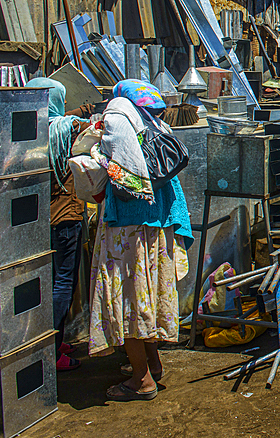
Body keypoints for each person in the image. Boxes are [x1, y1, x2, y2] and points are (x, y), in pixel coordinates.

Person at [88, 79, 193, 401]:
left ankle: (141, 380)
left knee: (128, 300)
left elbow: (127, 172)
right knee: (146, 296)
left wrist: (96, 154)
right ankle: (153, 365)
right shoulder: (155, 124)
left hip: (128, 231)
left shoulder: (118, 120)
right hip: (155, 227)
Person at [27, 77, 89, 372]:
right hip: (65, 218)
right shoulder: (69, 128)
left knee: (41, 286)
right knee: (63, 283)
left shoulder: (25, 130)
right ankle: (51, 352)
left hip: (36, 220)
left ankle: (50, 342)